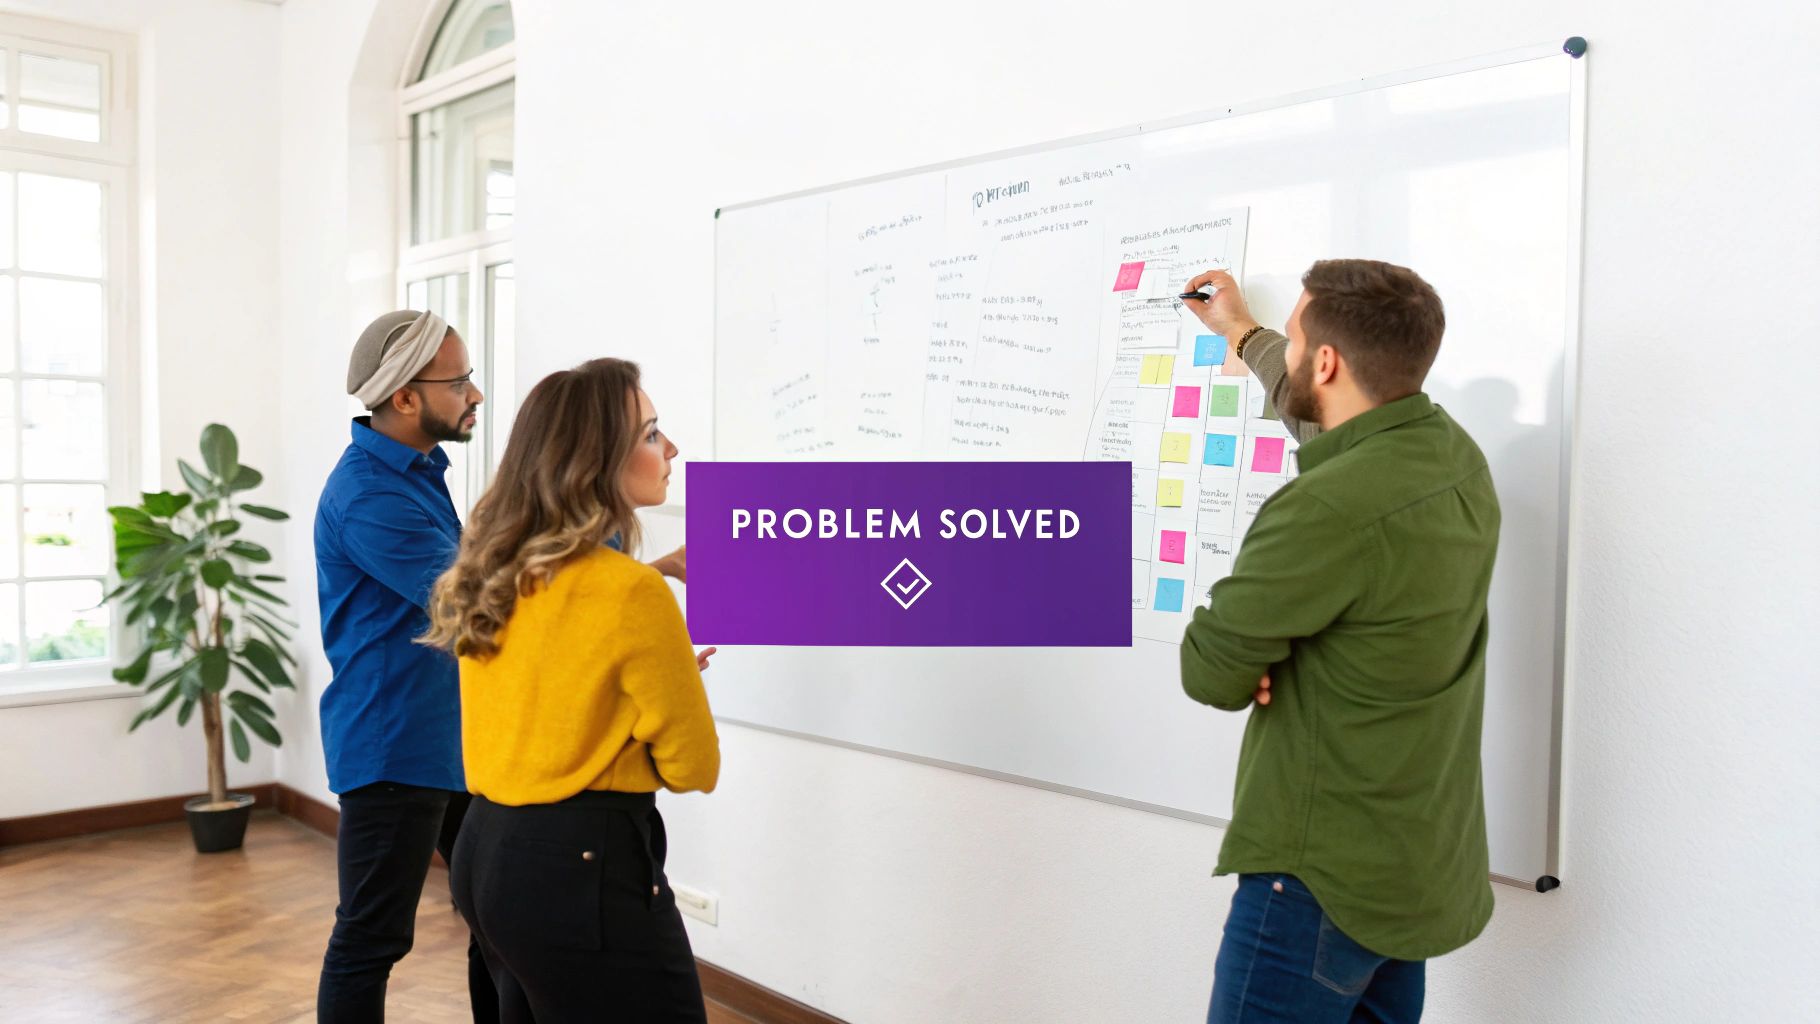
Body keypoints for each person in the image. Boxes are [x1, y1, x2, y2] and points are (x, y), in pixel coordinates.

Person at [1179, 261, 1500, 1023]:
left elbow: (1210, 672)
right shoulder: (1455, 460)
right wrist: (1241, 332)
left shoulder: (1325, 509)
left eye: (1294, 338)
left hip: (1316, 882)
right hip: (1408, 865)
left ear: (1326, 361)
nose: (1289, 351)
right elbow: (1327, 422)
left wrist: (1261, 653)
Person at [422, 357, 721, 1023]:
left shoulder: (493, 574)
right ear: (596, 460)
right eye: (650, 434)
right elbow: (694, 767)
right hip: (582, 868)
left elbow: (541, 710)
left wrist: (625, 712)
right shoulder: (633, 592)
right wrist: (647, 722)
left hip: (484, 856)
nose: (669, 449)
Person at [314, 308, 498, 1023]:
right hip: (394, 749)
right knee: (372, 939)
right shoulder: (370, 495)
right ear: (406, 398)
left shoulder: (419, 470)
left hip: (452, 738)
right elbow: (474, 601)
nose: (476, 395)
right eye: (461, 382)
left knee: (498, 917)